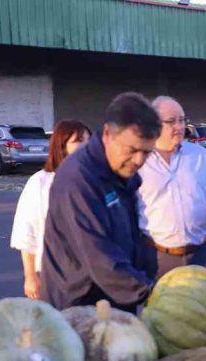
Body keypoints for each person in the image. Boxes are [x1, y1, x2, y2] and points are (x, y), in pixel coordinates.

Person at [40, 92, 161, 312]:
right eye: (132, 150)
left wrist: (151, 274)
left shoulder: (121, 169)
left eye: (147, 152)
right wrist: (148, 290)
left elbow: (136, 231)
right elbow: (98, 254)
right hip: (79, 307)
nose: (139, 161)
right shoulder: (77, 179)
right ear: (107, 134)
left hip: (116, 301)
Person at [137, 96, 206, 280]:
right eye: (171, 121)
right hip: (157, 259)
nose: (179, 126)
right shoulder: (138, 161)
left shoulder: (200, 155)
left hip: (202, 255)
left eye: (182, 120)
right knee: (161, 308)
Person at [10, 120, 91, 299]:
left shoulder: (95, 181)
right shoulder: (40, 182)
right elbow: (26, 233)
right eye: (78, 141)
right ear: (61, 146)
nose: (86, 146)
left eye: (88, 141)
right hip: (53, 276)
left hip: (92, 277)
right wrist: (30, 276)